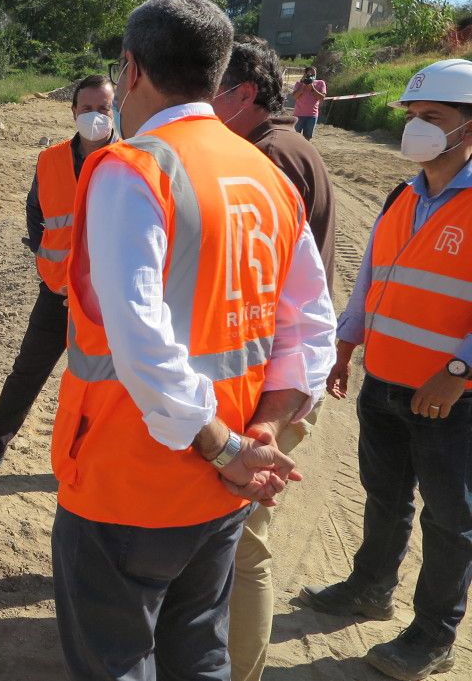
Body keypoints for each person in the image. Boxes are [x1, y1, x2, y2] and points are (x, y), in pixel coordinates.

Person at [49, 0, 336, 681]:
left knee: (116, 659)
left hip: (131, 478)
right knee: (198, 649)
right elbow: (310, 326)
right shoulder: (267, 176)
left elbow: (141, 342)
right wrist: (260, 432)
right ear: (214, 75)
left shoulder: (133, 168)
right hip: (220, 486)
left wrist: (225, 445)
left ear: (131, 69)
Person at [300, 58, 472, 681]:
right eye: (412, 117)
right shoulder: (404, 194)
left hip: (450, 397)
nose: (417, 128)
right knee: (385, 495)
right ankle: (370, 588)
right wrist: (346, 344)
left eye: (435, 118)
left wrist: (457, 372)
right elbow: (373, 277)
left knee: (451, 517)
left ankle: (433, 635)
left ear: (469, 128)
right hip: (387, 380)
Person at [212, 35, 337, 681]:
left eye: (215, 87)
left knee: (246, 542)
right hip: (275, 377)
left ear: (245, 96)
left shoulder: (266, 160)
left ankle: (238, 670)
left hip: (271, 387)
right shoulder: (289, 148)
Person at [0, 74, 115, 470]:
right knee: (27, 370)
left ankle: (96, 459)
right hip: (56, 291)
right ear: (73, 112)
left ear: (114, 111)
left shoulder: (131, 160)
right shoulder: (51, 159)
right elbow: (36, 210)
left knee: (100, 385)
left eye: (102, 109)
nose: (94, 116)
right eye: (86, 109)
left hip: (105, 301)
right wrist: (43, 251)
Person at [292, 66, 327, 140]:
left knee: (307, 137)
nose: (312, 75)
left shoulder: (321, 83)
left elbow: (322, 98)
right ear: (305, 74)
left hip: (312, 115)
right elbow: (295, 97)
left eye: (314, 74)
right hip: (298, 115)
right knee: (295, 137)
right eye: (310, 74)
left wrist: (312, 88)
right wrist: (303, 85)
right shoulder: (298, 84)